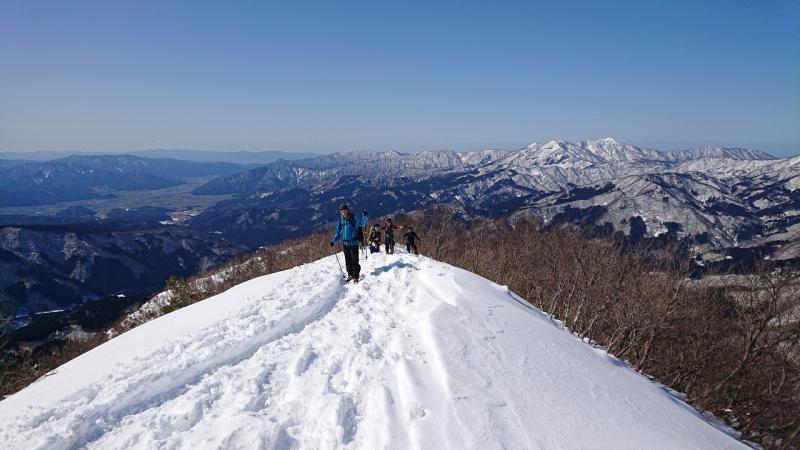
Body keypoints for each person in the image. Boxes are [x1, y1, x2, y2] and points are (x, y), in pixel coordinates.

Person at [330, 203, 361, 282]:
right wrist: (333, 241)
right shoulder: (340, 221)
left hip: (353, 243)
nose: (343, 213)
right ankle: (350, 274)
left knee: (355, 260)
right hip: (345, 244)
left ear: (347, 210)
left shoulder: (353, 218)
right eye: (341, 211)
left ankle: (356, 276)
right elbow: (338, 233)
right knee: (348, 260)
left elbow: (361, 224)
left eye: (344, 211)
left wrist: (365, 217)